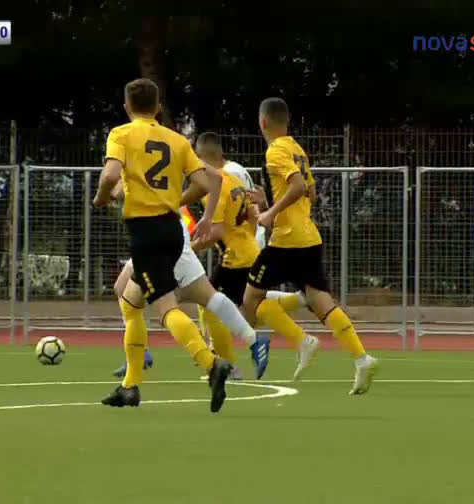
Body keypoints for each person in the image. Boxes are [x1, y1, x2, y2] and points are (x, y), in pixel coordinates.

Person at [92, 78, 242, 412]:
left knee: (165, 307)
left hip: (146, 233)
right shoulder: (177, 140)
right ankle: (130, 386)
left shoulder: (121, 134)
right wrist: (174, 200)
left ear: (127, 107)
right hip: (172, 230)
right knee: (130, 302)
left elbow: (110, 175)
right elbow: (203, 183)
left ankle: (211, 363)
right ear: (158, 107)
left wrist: (101, 198)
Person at [242, 97, 379, 394]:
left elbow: (298, 187)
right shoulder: (296, 148)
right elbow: (311, 194)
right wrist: (269, 201)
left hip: (286, 240)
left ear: (263, 121)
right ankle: (361, 358)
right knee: (322, 303)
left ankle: (298, 342)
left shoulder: (275, 150)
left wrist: (270, 213)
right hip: (308, 238)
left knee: (251, 300)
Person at [190, 132, 308, 379]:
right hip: (248, 251)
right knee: (248, 305)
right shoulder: (235, 181)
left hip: (234, 258)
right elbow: (253, 215)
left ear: (201, 158)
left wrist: (191, 248)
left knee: (210, 304)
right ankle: (298, 300)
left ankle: (228, 365)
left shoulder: (215, 186)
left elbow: (217, 231)